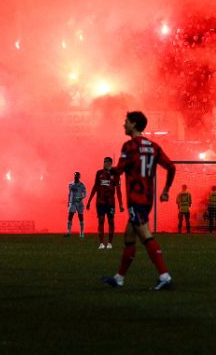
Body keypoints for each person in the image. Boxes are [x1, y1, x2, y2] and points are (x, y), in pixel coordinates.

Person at [100, 111, 176, 290]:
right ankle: (119, 278)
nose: (123, 124)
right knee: (129, 236)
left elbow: (119, 171)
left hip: (136, 198)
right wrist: (165, 191)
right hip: (148, 199)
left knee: (145, 235)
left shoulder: (130, 146)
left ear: (133, 124)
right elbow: (171, 167)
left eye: (126, 121)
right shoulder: (153, 146)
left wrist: (108, 171)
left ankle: (165, 276)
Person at [86, 157, 123, 248]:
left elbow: (118, 191)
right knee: (101, 220)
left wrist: (121, 204)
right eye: (104, 162)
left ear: (110, 163)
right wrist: (89, 201)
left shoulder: (115, 175)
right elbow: (95, 187)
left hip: (111, 203)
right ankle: (101, 243)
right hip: (100, 202)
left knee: (111, 221)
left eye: (107, 162)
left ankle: (110, 243)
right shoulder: (99, 173)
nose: (105, 164)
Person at [66, 171, 87, 238]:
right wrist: (68, 201)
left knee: (80, 217)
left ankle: (81, 233)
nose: (76, 177)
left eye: (77, 176)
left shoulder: (82, 185)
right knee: (70, 216)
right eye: (75, 176)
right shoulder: (70, 184)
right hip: (72, 203)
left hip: (79, 203)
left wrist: (81, 197)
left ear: (79, 177)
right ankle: (69, 232)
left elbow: (85, 194)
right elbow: (69, 194)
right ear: (74, 176)